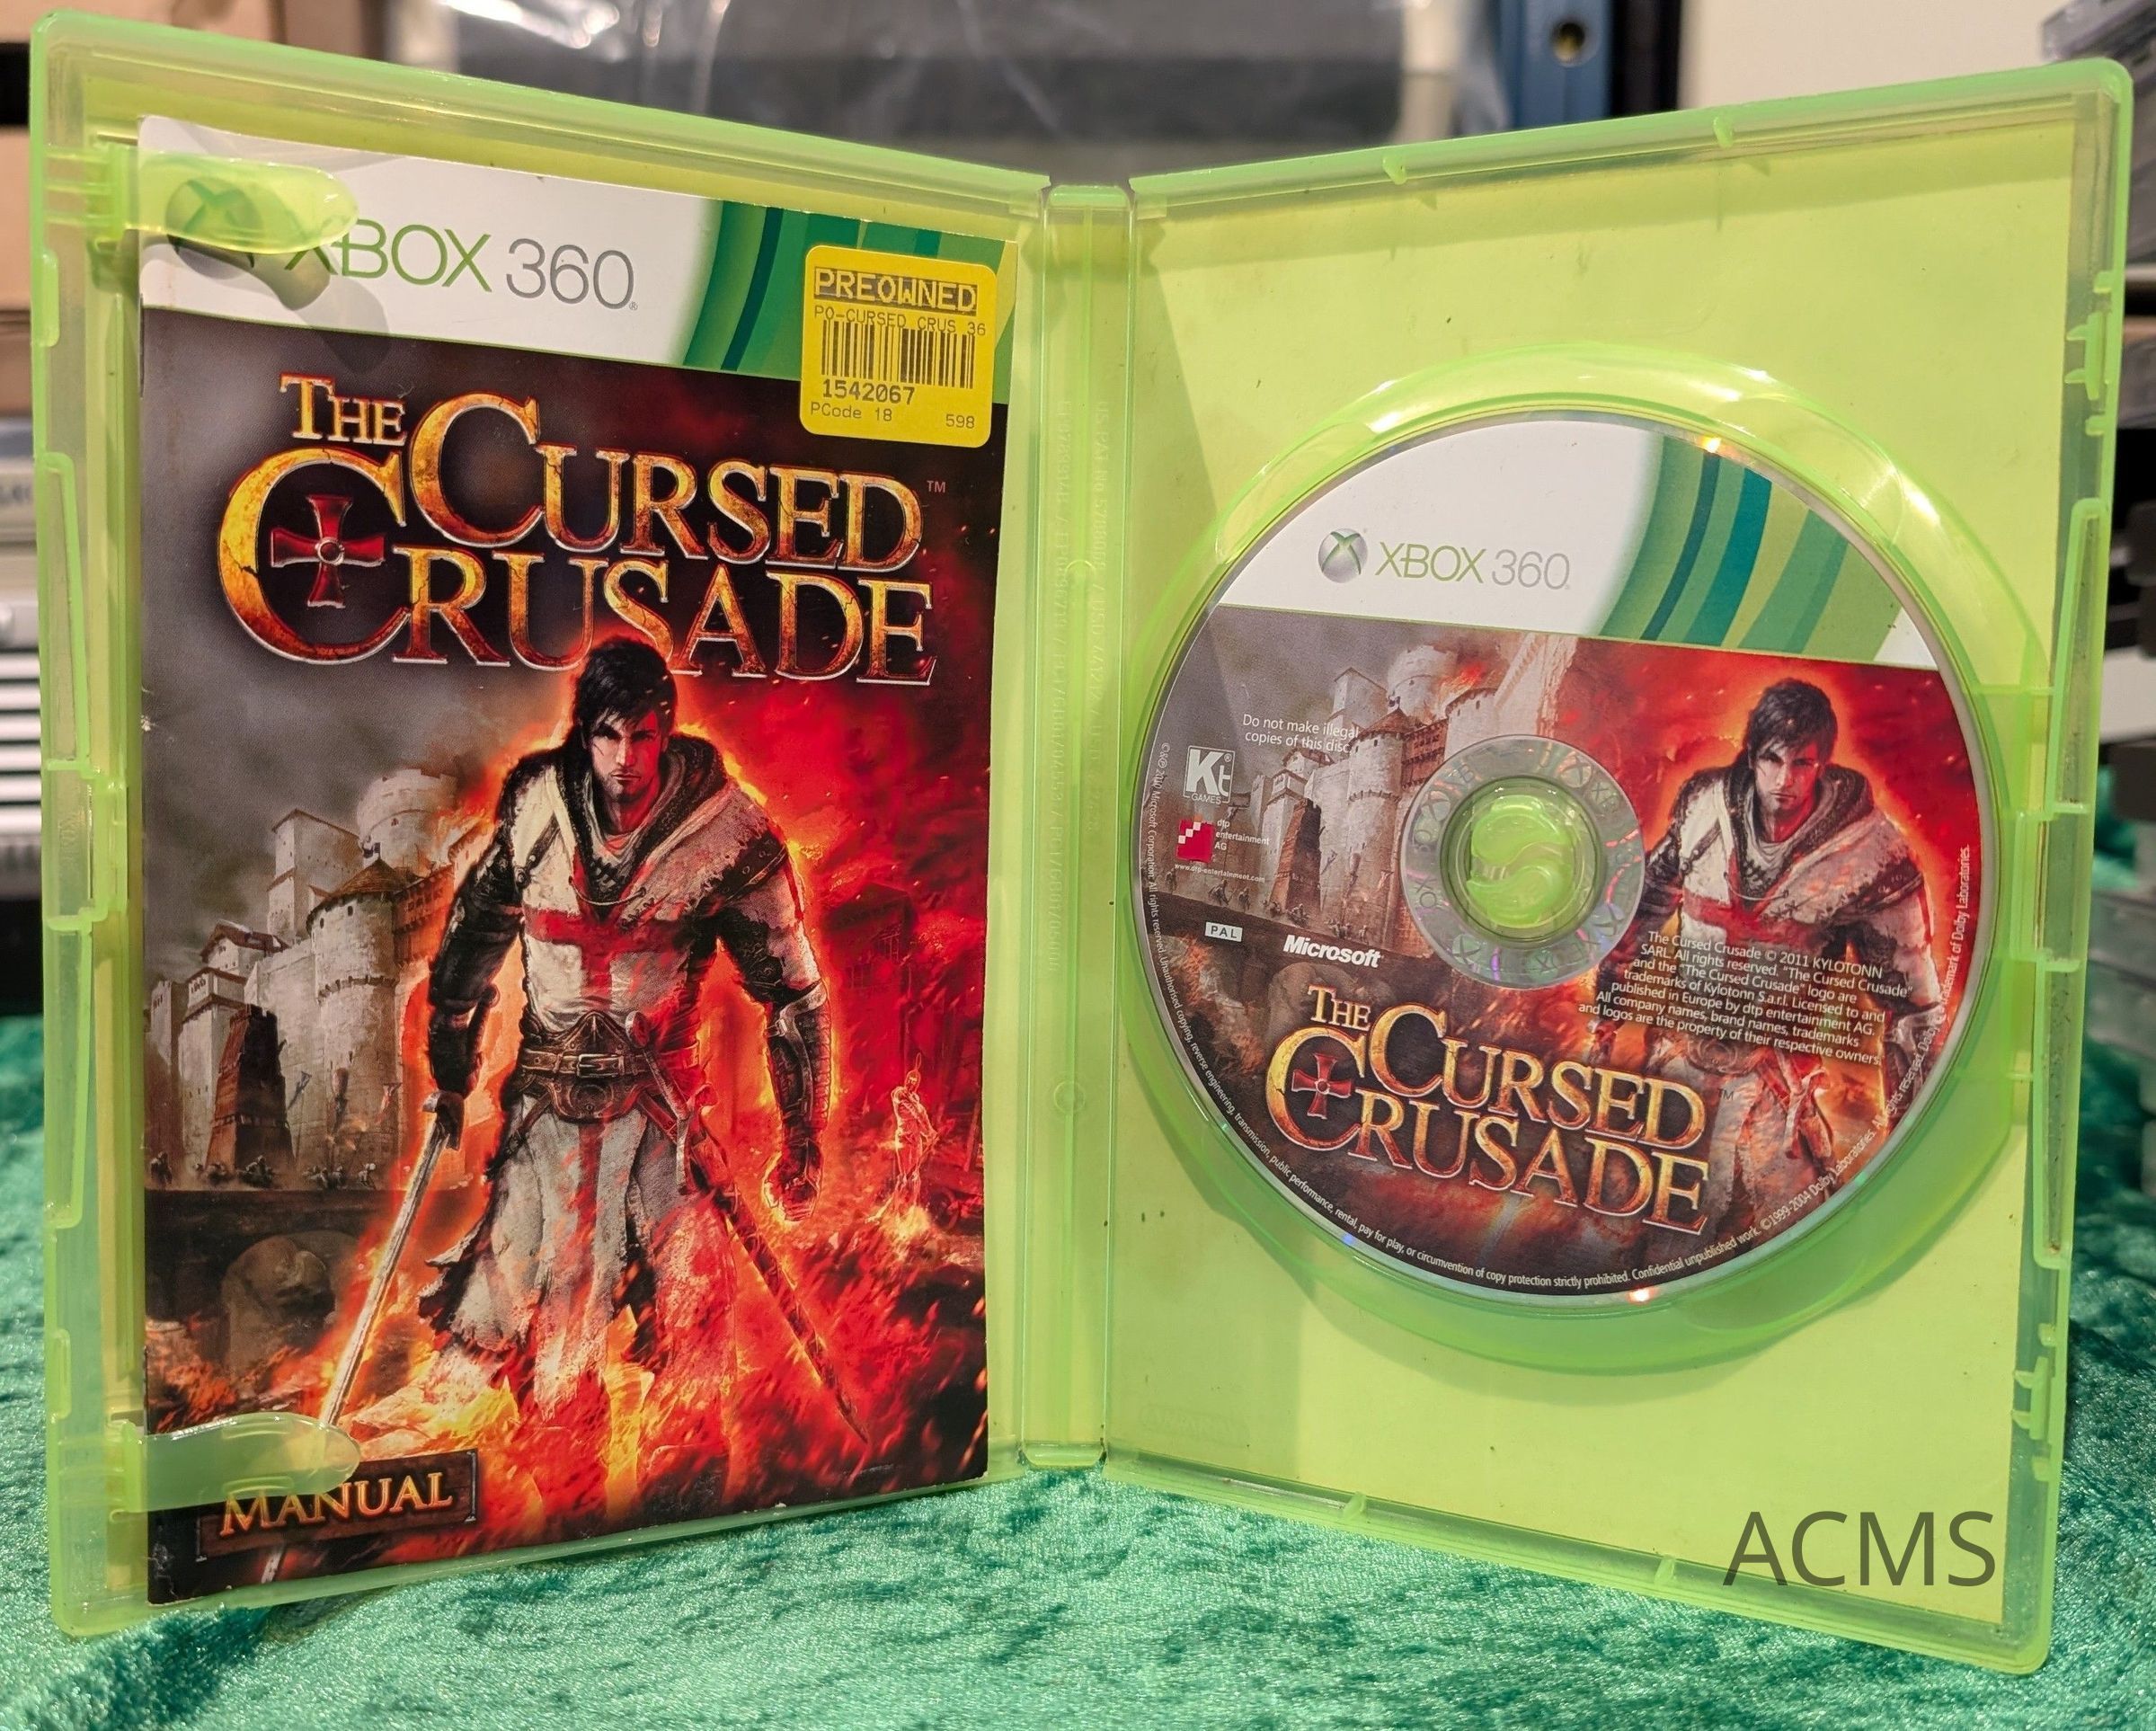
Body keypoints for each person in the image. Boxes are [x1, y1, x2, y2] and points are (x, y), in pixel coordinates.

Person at [397, 638, 830, 1474]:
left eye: (641, 736)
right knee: (551, 1334)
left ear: (665, 731)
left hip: (663, 1111)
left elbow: (791, 995)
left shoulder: (729, 833)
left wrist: (802, 1135)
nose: (624, 759)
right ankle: (565, 1498)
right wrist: (450, 1073)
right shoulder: (535, 806)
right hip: (549, 1114)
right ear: (584, 732)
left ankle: (687, 1492)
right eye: (606, 735)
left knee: (695, 1320)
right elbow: (471, 945)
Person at [1601, 679, 1942, 1238]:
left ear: (1823, 764)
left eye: (1802, 763)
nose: (1785, 781)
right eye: (1773, 760)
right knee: (1646, 1236)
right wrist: (1610, 996)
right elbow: (1649, 897)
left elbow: (1914, 1009)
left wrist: (1911, 1146)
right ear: (1752, 755)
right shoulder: (1704, 806)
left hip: (1778, 1086)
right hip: (1679, 1066)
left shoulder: (1872, 855)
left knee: (1795, 1238)